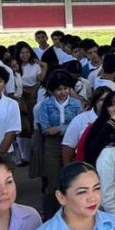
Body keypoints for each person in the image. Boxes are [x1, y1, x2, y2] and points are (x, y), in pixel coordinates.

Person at [34, 70, 83, 217]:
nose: (63, 92)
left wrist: (59, 129)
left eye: (65, 88)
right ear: (51, 90)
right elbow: (45, 129)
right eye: (59, 89)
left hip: (72, 144)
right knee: (53, 181)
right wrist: (65, 128)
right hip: (52, 145)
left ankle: (73, 211)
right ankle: (50, 213)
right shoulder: (45, 105)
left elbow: (79, 125)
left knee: (72, 179)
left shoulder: (76, 104)